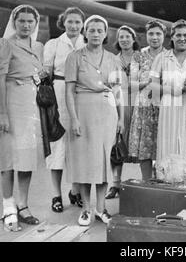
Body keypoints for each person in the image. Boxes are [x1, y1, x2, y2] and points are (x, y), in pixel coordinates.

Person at [65, 14, 124, 226]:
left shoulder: (113, 59)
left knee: (103, 160)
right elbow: (69, 90)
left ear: (106, 33)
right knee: (84, 161)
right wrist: (73, 119)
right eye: (92, 30)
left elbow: (118, 91)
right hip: (83, 111)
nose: (96, 34)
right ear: (85, 32)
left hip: (107, 113)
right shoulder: (74, 57)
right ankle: (86, 209)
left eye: (100, 30)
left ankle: (101, 208)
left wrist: (121, 118)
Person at [0, 4, 44, 231]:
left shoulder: (39, 46)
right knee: (9, 158)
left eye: (30, 21)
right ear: (14, 22)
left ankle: (23, 206)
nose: (26, 25)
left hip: (32, 107)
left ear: (35, 23)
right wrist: (3, 113)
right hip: (12, 105)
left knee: (26, 159)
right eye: (21, 20)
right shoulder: (5, 44)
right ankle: (8, 208)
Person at [43, 7, 86, 212]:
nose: (74, 26)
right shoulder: (53, 44)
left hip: (82, 95)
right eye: (70, 22)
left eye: (78, 22)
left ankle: (75, 191)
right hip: (59, 94)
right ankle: (55, 195)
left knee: (78, 144)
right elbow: (46, 74)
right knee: (57, 144)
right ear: (63, 22)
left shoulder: (87, 44)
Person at [150, 19, 186, 178]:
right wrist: (172, 90)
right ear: (172, 38)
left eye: (185, 35)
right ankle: (167, 185)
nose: (182, 38)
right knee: (168, 147)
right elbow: (152, 85)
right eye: (178, 35)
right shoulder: (161, 58)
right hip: (168, 109)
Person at [127, 20, 167, 181]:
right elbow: (131, 84)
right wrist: (148, 84)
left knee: (162, 147)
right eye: (151, 33)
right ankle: (146, 182)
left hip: (164, 106)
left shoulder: (168, 55)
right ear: (146, 36)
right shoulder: (138, 56)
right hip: (144, 105)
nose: (154, 37)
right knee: (144, 149)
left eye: (158, 33)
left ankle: (161, 181)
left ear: (164, 36)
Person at [105, 25, 139, 199]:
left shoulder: (141, 57)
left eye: (128, 36)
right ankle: (116, 184)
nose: (124, 39)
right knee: (117, 141)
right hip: (119, 102)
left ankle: (147, 182)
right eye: (121, 37)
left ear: (134, 39)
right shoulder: (112, 59)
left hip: (140, 102)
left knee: (142, 143)